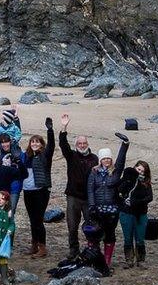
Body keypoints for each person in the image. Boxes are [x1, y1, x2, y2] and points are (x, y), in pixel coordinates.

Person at [58, 113, 99, 258]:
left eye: (84, 143)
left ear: (88, 145)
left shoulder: (95, 159)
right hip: (73, 196)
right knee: (72, 226)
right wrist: (64, 127)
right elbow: (63, 144)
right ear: (76, 145)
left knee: (91, 225)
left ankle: (93, 248)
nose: (82, 145)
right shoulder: (72, 156)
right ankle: (73, 250)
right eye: (80, 144)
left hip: (89, 198)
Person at [86, 133, 130, 266]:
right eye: (104, 158)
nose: (106, 161)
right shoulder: (94, 172)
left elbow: (121, 160)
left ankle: (107, 261)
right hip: (97, 208)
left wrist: (125, 144)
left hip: (112, 209)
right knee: (94, 235)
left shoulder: (115, 171)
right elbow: (90, 189)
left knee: (110, 235)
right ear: (100, 160)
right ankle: (94, 258)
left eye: (108, 158)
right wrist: (92, 206)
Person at [20, 118, 55, 258]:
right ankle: (34, 245)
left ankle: (42, 247)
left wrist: (50, 130)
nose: (34, 144)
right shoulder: (26, 157)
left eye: (37, 142)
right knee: (32, 219)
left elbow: (51, 146)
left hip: (41, 191)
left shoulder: (45, 156)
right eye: (32, 142)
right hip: (28, 191)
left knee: (38, 220)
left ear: (41, 144)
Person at [117, 160, 153, 269]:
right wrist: (129, 179)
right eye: (139, 170)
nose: (140, 173)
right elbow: (119, 190)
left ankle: (141, 259)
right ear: (135, 168)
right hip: (126, 213)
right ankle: (129, 259)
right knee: (127, 237)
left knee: (140, 238)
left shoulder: (146, 183)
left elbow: (149, 197)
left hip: (140, 213)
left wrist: (136, 202)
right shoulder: (128, 179)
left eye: (143, 171)